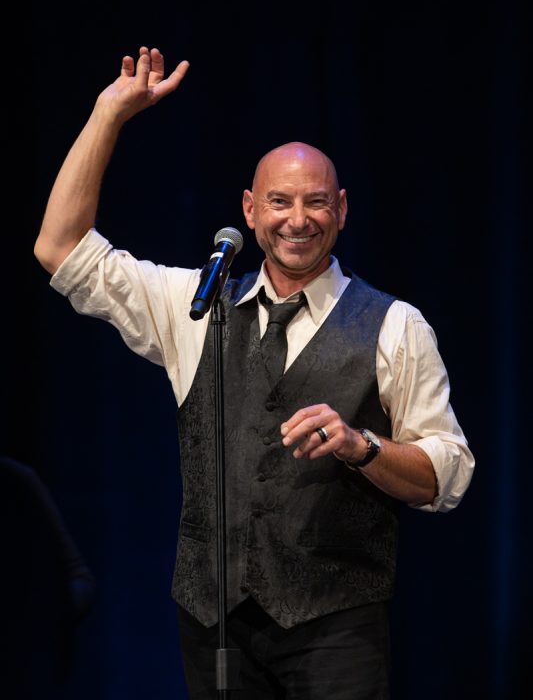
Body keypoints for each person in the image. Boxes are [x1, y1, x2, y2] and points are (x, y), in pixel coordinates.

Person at [34, 46, 475, 699]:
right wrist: (109, 114)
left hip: (335, 630)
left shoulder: (394, 326)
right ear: (248, 210)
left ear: (342, 210)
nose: (297, 219)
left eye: (316, 203)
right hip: (213, 629)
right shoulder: (198, 307)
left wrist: (362, 445)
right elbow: (60, 248)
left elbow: (448, 474)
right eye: (279, 201)